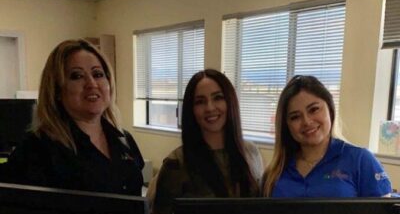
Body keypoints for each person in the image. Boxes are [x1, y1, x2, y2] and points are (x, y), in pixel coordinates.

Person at [2, 39, 144, 196]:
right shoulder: (37, 148)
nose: (92, 84)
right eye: (77, 76)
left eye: (98, 74)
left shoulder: (124, 140)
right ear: (56, 90)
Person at [151, 69, 263, 214]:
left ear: (230, 101)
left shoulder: (251, 153)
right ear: (191, 110)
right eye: (200, 102)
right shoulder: (176, 164)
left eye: (217, 98)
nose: (210, 107)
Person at [262, 75, 392, 197]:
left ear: (330, 109)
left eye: (314, 109)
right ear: (287, 125)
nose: (306, 121)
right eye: (295, 117)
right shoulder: (274, 172)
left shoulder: (361, 160)